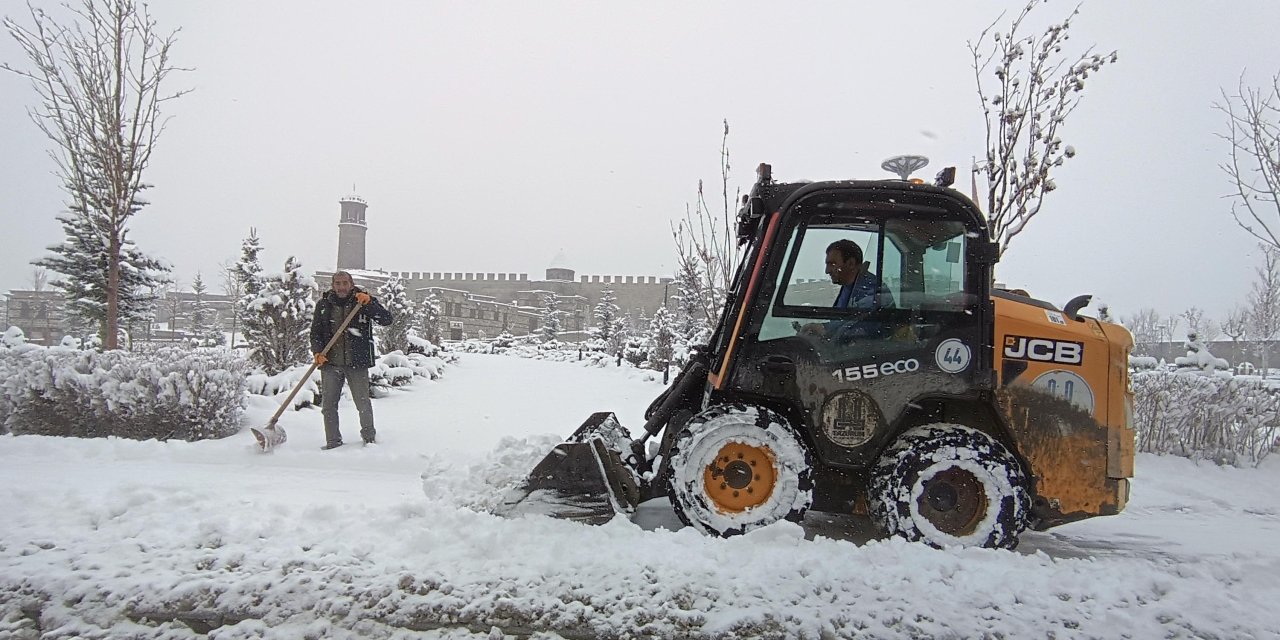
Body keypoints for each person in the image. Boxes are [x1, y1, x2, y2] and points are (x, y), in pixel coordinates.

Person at [310, 271, 393, 450]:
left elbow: (386, 320)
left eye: (345, 283)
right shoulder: (324, 305)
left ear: (351, 283)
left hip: (357, 362)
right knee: (329, 406)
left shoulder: (362, 301)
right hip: (330, 362)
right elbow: (315, 333)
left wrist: (370, 303)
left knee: (362, 403)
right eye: (338, 283)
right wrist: (317, 352)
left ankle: (369, 439)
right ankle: (333, 442)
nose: (341, 287)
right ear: (333, 285)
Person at [800, 239, 893, 339]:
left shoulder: (870, 290)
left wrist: (825, 329)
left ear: (851, 263)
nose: (827, 271)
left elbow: (861, 324)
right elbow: (843, 321)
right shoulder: (849, 287)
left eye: (832, 264)